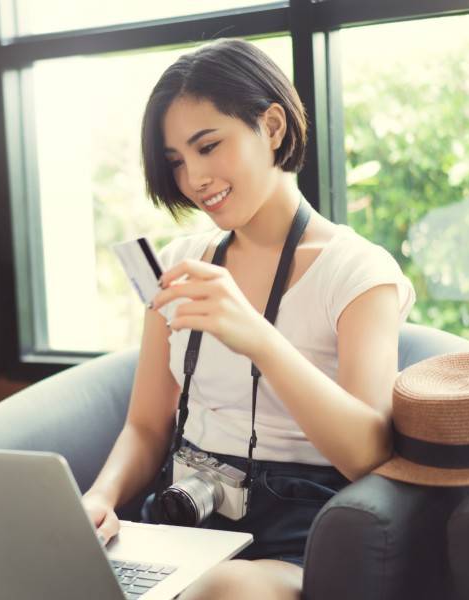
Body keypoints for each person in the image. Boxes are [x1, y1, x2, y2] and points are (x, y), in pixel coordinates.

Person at [80, 39, 416, 600]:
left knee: (227, 590)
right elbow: (146, 425)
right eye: (177, 162)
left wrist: (259, 338)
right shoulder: (180, 263)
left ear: (274, 126)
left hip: (293, 539)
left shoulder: (358, 272)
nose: (194, 179)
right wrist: (99, 498)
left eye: (209, 146)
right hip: (180, 522)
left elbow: (368, 454)